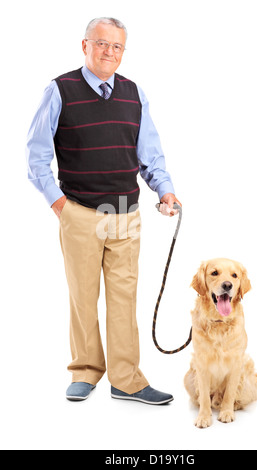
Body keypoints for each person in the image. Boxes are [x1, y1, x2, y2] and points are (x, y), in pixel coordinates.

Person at [26, 17, 181, 404]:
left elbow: (149, 154)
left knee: (124, 300)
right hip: (80, 212)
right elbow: (36, 157)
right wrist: (60, 206)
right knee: (83, 295)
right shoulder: (60, 89)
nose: (109, 52)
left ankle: (126, 380)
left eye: (117, 47)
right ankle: (86, 371)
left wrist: (165, 191)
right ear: (85, 46)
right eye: (101, 44)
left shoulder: (134, 93)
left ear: (122, 52)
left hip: (126, 214)